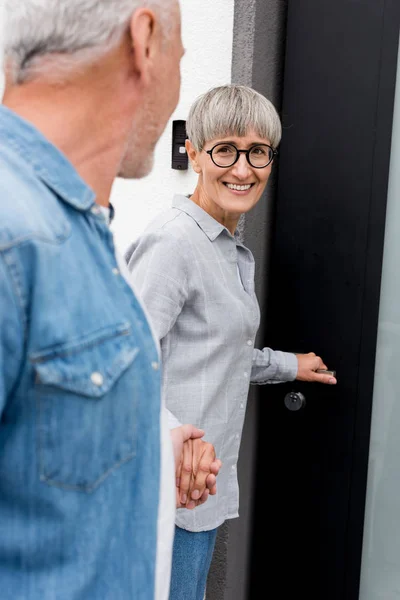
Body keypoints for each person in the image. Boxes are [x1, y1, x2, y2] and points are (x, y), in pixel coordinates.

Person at [0, 1, 221, 599]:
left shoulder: (80, 225)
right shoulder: (13, 237)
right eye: (181, 55)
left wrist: (146, 451)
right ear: (145, 41)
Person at [125, 83, 338, 600]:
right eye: (225, 149)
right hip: (170, 488)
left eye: (258, 152)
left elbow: (216, 351)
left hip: (200, 493)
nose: (243, 169)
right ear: (194, 154)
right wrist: (177, 438)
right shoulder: (174, 243)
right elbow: (123, 361)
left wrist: (289, 365)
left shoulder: (224, 244)